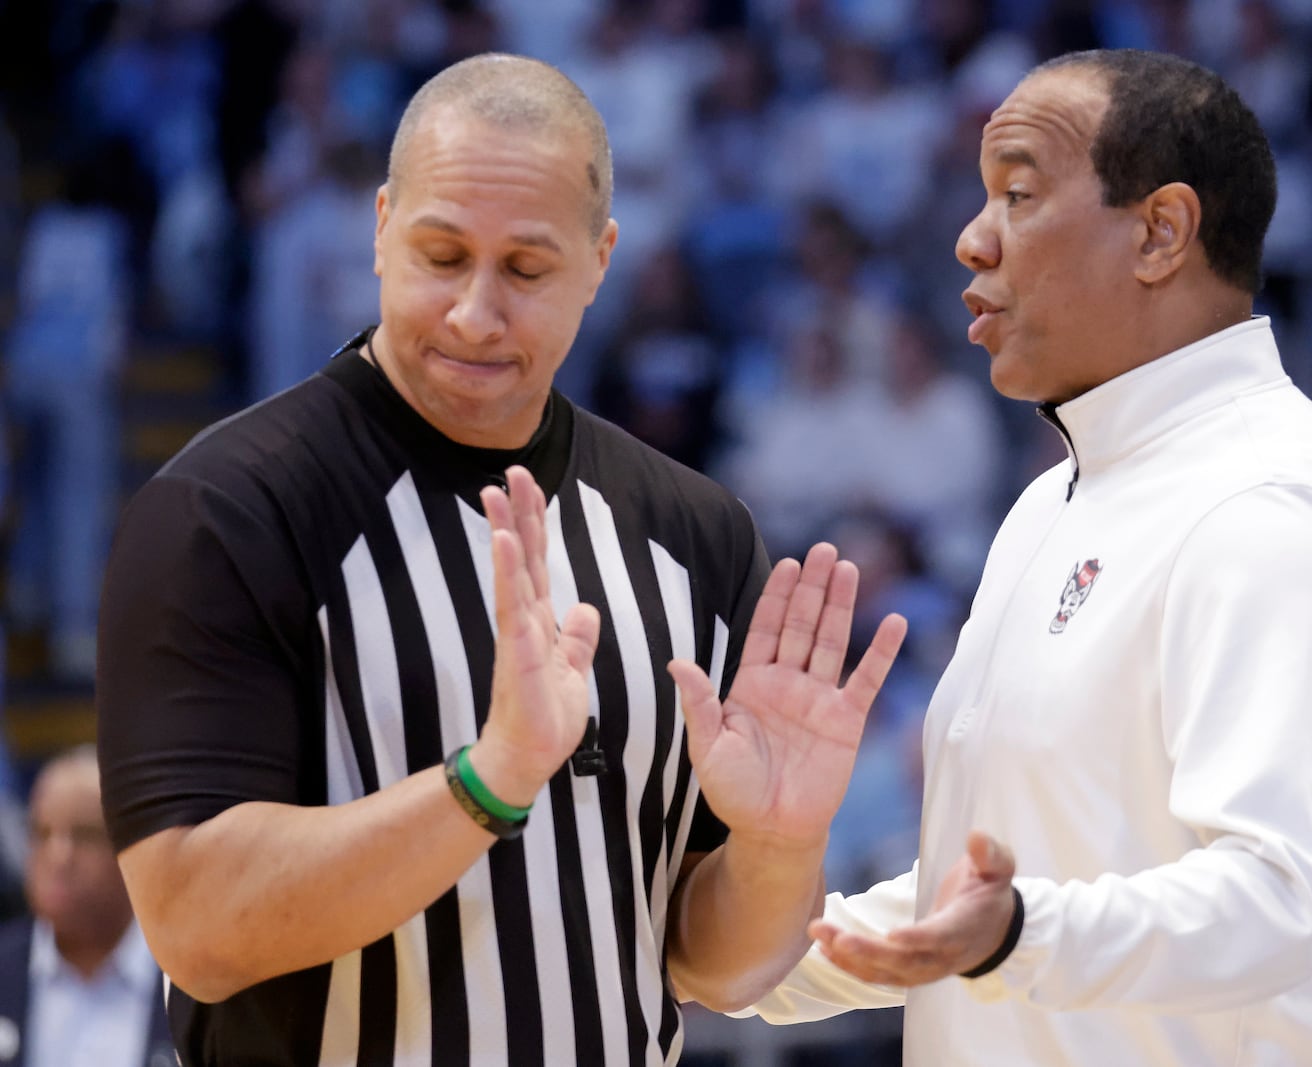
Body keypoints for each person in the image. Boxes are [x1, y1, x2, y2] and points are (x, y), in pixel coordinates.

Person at [95, 53, 905, 1067]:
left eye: (525, 269)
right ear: (380, 225)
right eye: (441, 254)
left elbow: (714, 968)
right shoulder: (228, 510)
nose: (476, 312)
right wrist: (489, 780)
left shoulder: (694, 532)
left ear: (600, 259)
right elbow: (197, 926)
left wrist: (780, 844)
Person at [739, 49, 1312, 1066]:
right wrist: (736, 950)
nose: (971, 241)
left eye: (1018, 194)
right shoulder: (1053, 500)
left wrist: (1016, 933)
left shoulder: (1266, 507)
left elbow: (1273, 901)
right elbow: (988, 897)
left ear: (1160, 233)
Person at [0, 747, 175, 1067]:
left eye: (84, 835)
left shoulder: (184, 982)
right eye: (42, 833)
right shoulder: (5, 967)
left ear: (132, 848)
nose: (59, 856)